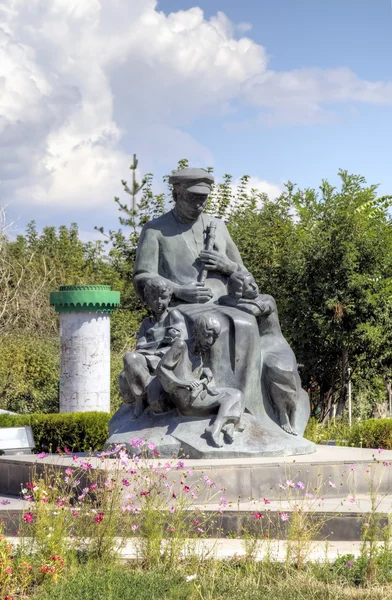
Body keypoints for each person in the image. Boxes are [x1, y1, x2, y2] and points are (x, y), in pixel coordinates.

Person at [219, 271, 302, 436]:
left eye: (254, 282)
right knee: (255, 368)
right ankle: (281, 414)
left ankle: (290, 413)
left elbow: (253, 309)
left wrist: (231, 300)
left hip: (276, 344)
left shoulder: (267, 299)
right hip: (259, 347)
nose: (255, 287)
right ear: (238, 291)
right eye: (249, 286)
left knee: (282, 369)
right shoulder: (234, 300)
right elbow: (225, 302)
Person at [156, 313, 244, 447]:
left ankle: (226, 425)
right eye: (207, 336)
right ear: (197, 332)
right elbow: (162, 368)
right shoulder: (181, 345)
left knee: (237, 395)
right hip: (187, 399)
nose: (211, 342)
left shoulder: (199, 351)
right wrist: (182, 383)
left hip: (198, 394)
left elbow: (189, 370)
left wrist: (203, 371)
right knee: (235, 395)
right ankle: (219, 426)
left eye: (215, 337)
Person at [120, 277, 187, 418]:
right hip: (147, 359)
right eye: (154, 298)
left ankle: (145, 396)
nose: (159, 302)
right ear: (148, 300)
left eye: (163, 298)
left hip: (165, 360)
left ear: (169, 298)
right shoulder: (147, 323)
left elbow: (180, 341)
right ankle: (140, 399)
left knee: (131, 363)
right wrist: (162, 341)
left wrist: (155, 347)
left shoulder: (173, 316)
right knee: (128, 360)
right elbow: (139, 347)